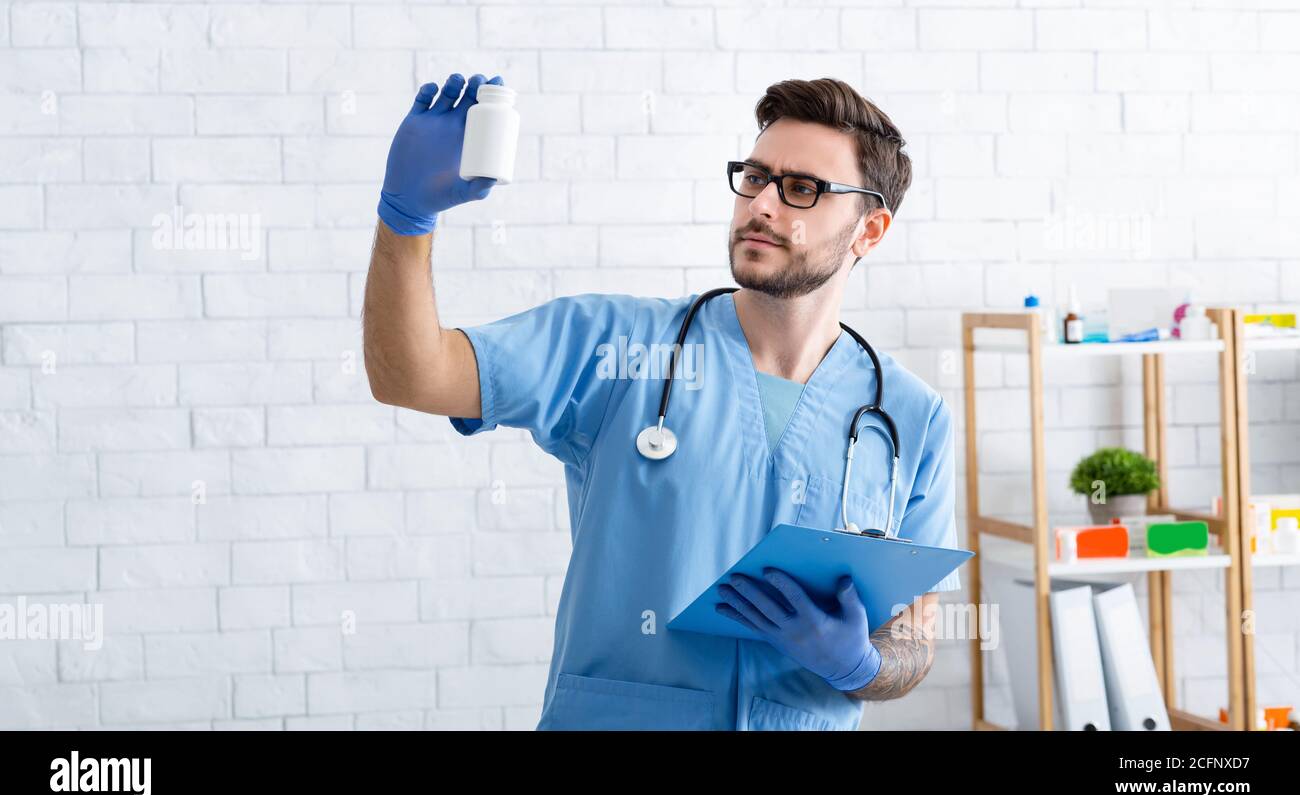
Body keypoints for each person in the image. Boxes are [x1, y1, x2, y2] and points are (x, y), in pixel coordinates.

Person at [363, 73, 961, 730]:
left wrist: (859, 664)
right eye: (755, 176)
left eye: (801, 189)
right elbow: (411, 374)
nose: (762, 204)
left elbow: (915, 638)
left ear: (869, 230)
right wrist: (408, 219)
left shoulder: (911, 417)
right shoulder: (614, 346)